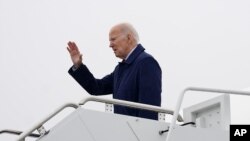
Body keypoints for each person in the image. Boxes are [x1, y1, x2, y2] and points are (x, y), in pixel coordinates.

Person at [67, 23, 162, 120]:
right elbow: (96, 88)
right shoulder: (120, 69)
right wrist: (78, 66)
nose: (110, 45)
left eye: (113, 39)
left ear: (129, 38)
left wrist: (143, 133)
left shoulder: (146, 63)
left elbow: (149, 110)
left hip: (136, 132)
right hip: (122, 130)